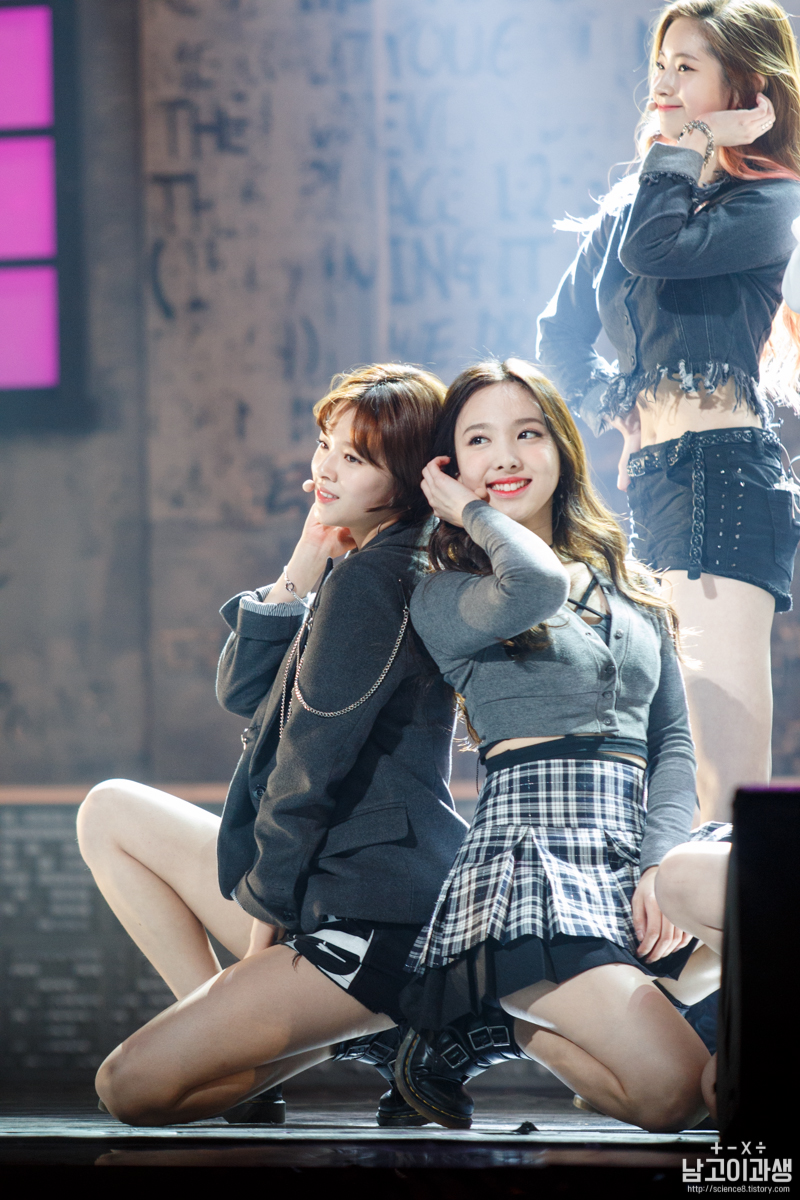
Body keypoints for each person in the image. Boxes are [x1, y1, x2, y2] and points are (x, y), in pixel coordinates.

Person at [76, 364, 468, 1126]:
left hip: (370, 914)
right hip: (329, 886)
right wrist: (306, 558)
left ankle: (388, 1025)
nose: (327, 466)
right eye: (326, 444)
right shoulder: (363, 565)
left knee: (129, 1087)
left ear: (408, 479)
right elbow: (243, 691)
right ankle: (335, 1033)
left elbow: (305, 774)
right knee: (109, 812)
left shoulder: (375, 582)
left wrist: (257, 955)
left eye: (354, 457)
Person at [393, 358, 726, 1133]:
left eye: (528, 434)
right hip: (535, 876)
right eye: (479, 441)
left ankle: (504, 1024)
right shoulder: (443, 594)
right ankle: (492, 1021)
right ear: (449, 467)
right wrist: (469, 513)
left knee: (749, 905)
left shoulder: (633, 589)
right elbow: (535, 583)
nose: (506, 457)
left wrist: (659, 865)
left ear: (561, 448)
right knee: (674, 1097)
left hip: (631, 863)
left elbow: (672, 746)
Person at [537, 0, 800, 823]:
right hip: (654, 483)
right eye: (661, 64)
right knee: (671, 765)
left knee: (720, 777)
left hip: (725, 477)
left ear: (746, 88)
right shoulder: (635, 203)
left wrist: (685, 145)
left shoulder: (770, 201)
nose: (663, 82)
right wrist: (616, 410)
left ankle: (740, 910)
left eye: (687, 68)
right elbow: (558, 335)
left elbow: (657, 250)